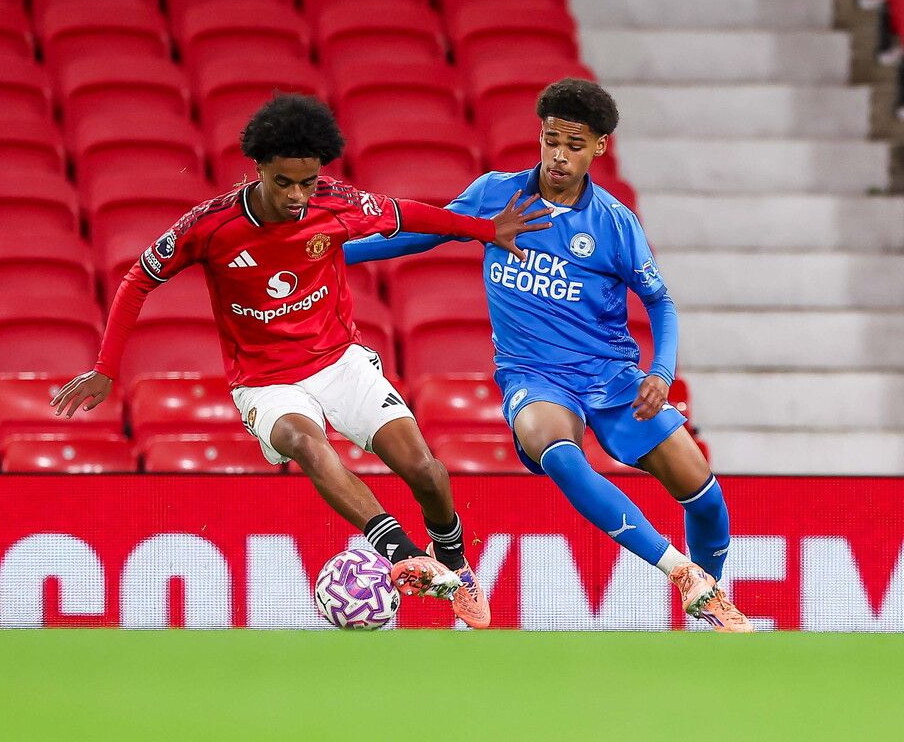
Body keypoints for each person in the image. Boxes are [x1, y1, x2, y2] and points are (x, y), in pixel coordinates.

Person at [50, 93, 552, 629]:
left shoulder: (337, 203)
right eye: (283, 182)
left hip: (340, 361)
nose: (296, 196)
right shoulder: (210, 225)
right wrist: (105, 367)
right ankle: (402, 553)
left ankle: (452, 561)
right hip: (266, 381)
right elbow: (137, 280)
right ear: (259, 168)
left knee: (425, 470)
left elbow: (410, 214)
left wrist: (486, 230)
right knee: (303, 442)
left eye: (307, 182)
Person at [344, 78, 754, 632]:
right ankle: (682, 574)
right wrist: (329, 251)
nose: (559, 155)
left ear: (599, 148)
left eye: (575, 144)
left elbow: (660, 303)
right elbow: (421, 236)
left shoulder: (613, 223)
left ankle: (710, 605)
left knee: (705, 498)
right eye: (551, 140)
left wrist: (660, 370)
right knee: (559, 451)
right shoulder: (497, 195)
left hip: (610, 376)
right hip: (534, 376)